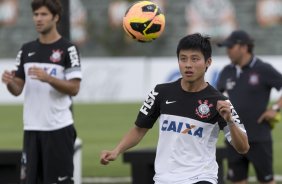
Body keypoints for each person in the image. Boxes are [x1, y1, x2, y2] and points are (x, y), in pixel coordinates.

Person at [100, 33, 249, 184]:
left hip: (201, 177)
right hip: (164, 179)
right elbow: (139, 129)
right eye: (183, 59)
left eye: (195, 59)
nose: (188, 64)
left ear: (208, 62)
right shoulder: (160, 92)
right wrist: (116, 151)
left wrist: (230, 121)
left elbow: (243, 147)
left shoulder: (220, 102)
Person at [1, 0, 82, 183]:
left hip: (58, 129)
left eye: (44, 14)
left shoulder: (68, 49)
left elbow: (74, 88)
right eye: (36, 14)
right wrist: (9, 82)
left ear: (56, 18)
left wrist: (49, 78)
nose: (38, 19)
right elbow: (17, 89)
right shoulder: (26, 50)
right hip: (31, 129)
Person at [217, 30, 282, 184]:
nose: (227, 51)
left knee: (266, 181)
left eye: (231, 47)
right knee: (237, 180)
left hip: (259, 138)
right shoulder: (227, 71)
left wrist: (275, 109)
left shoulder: (263, 69)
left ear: (244, 47)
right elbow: (215, 96)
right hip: (234, 138)